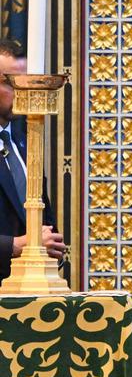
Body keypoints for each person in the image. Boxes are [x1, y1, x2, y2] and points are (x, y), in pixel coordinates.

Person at [0, 40, 63, 282]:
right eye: (11, 83)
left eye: (25, 82)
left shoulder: (23, 141)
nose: (22, 92)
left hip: (27, 290)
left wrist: (51, 245)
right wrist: (16, 245)